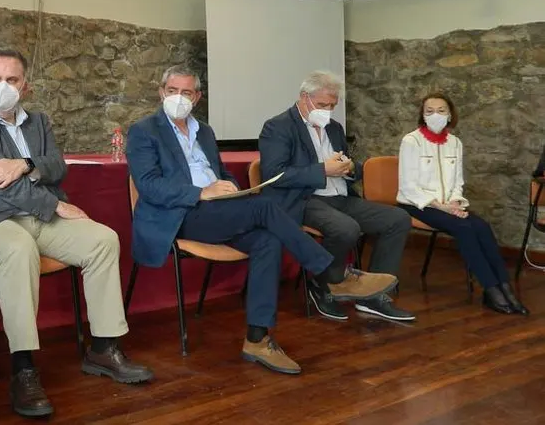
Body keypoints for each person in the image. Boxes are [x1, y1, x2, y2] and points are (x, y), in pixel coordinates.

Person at [126, 65, 399, 375]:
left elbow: (220, 173)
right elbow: (148, 184)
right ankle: (333, 276)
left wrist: (231, 189)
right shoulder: (144, 131)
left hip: (218, 210)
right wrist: (201, 192)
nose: (178, 98)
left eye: (186, 92)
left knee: (267, 240)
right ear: (161, 92)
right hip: (179, 215)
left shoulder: (205, 130)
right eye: (172, 91)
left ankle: (258, 338)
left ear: (198, 97)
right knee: (265, 208)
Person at [0, 50, 153, 418]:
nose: (2, 88)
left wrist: (24, 163)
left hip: (34, 216)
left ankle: (103, 347)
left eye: (12, 80)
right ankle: (23, 368)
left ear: (26, 86)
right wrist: (53, 206)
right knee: (19, 248)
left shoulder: (38, 122)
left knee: (104, 239)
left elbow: (57, 167)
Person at [259, 70, 415, 323]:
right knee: (345, 228)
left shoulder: (334, 128)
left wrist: (351, 168)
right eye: (322, 105)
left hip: (340, 195)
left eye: (332, 105)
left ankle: (372, 295)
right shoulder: (278, 127)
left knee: (397, 219)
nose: (327, 110)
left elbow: (348, 165)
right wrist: (323, 170)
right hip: (303, 199)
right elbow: (274, 174)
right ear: (304, 97)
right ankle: (324, 286)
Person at [397, 93, 528, 315]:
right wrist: (441, 206)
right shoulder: (411, 141)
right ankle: (491, 288)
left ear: (450, 115)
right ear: (422, 115)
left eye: (441, 110)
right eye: (429, 111)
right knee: (465, 228)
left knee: (482, 227)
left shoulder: (455, 143)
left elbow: (457, 181)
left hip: (450, 205)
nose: (435, 115)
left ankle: (505, 288)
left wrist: (456, 201)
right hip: (418, 204)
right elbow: (408, 186)